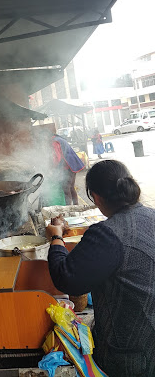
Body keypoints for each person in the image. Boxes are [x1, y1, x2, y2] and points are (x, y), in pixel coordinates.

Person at [46, 160, 155, 377]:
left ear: (95, 197)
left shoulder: (107, 234)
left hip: (131, 355)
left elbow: (67, 278)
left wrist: (56, 237)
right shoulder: (151, 215)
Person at [52, 134, 85, 205]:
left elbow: (57, 158)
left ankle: (69, 207)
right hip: (72, 164)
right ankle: (76, 206)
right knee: (71, 187)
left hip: (68, 166)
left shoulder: (54, 141)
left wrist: (53, 169)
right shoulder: (59, 139)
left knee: (66, 188)